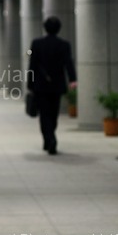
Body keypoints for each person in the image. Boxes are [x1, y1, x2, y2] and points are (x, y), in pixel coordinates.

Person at [27, 16, 77, 155]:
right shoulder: (64, 45)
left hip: (41, 85)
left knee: (44, 114)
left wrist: (30, 83)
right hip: (57, 85)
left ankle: (49, 139)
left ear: (45, 28)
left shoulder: (36, 44)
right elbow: (69, 63)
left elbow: (32, 65)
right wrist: (72, 79)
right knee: (54, 113)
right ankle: (51, 137)